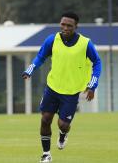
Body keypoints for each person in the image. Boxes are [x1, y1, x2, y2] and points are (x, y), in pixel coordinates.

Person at [22, 12, 102, 163]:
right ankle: (46, 154)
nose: (65, 28)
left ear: (76, 27)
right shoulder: (52, 39)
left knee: (63, 124)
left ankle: (63, 134)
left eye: (69, 26)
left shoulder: (85, 43)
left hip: (71, 92)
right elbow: (40, 56)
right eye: (63, 24)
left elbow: (97, 63)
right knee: (45, 119)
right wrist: (30, 70)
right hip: (52, 87)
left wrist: (92, 86)